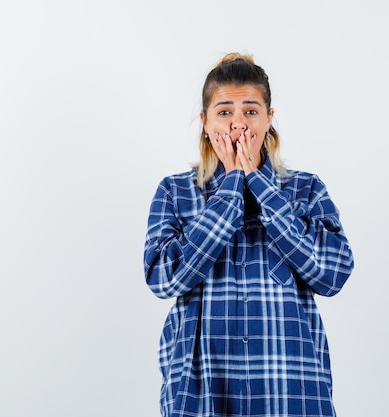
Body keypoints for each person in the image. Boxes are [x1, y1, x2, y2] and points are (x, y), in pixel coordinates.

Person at [143, 52, 355, 417]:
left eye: (251, 111)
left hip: (290, 392)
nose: (238, 124)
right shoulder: (174, 192)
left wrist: (259, 185)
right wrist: (229, 190)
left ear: (269, 119)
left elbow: (333, 274)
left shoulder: (306, 189)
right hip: (202, 390)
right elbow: (163, 278)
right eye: (224, 111)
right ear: (205, 122)